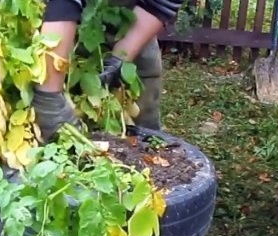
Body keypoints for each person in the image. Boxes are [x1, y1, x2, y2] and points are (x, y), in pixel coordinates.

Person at [31, 0, 185, 143]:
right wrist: (48, 97)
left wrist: (121, 57)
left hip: (132, 22)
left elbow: (161, 3)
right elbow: (63, 4)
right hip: (55, 26)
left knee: (142, 138)